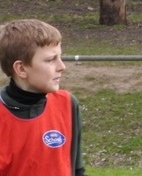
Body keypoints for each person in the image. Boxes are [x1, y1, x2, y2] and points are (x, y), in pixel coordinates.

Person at [0, 19, 86, 176]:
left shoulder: (67, 104)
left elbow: (77, 169)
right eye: (50, 60)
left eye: (60, 57)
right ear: (21, 68)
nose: (62, 66)